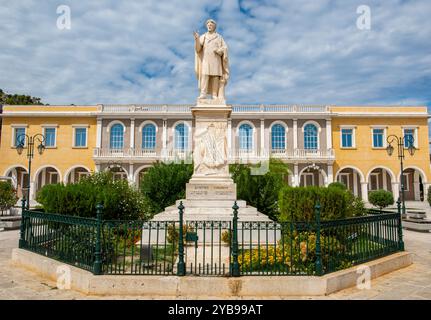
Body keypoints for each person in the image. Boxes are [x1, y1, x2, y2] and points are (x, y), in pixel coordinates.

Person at [194, 19, 229, 100]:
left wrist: (220, 50)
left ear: (214, 27)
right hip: (206, 60)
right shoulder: (203, 37)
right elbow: (198, 49)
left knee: (215, 77)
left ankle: (214, 94)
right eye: (208, 25)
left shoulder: (219, 37)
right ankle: (203, 93)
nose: (209, 26)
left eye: (211, 25)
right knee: (204, 75)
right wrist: (197, 39)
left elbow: (225, 47)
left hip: (216, 60)